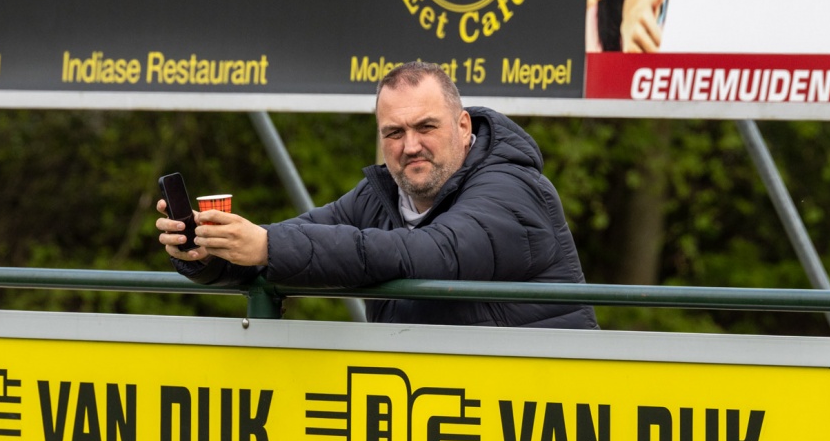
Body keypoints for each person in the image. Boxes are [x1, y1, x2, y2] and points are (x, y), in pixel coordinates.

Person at [157, 61, 598, 329]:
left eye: (426, 127)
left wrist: (268, 245)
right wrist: (211, 251)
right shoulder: (380, 194)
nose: (411, 146)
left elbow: (433, 252)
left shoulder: (513, 188)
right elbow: (288, 244)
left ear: (463, 127)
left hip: (539, 420)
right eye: (394, 133)